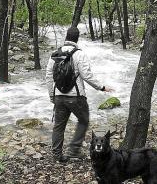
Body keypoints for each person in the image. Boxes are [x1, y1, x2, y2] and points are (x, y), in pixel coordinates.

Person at [45, 26, 113, 162]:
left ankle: (57, 155)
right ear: (77, 38)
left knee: (58, 126)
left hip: (58, 96)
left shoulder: (55, 54)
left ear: (66, 37)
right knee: (83, 120)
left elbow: (48, 77)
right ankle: (74, 149)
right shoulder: (79, 54)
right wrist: (101, 87)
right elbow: (86, 76)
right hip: (76, 97)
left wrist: (52, 96)